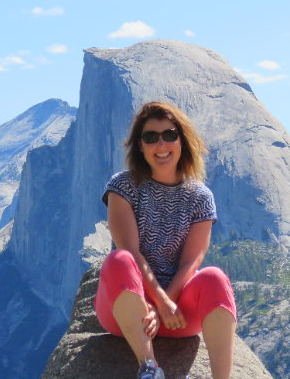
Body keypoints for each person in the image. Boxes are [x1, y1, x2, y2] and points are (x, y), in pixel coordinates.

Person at [95, 101, 237, 379]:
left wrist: (166, 306)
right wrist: (158, 303)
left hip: (177, 314)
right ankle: (149, 369)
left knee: (214, 277)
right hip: (126, 312)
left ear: (182, 140)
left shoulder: (200, 197)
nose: (161, 144)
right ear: (140, 145)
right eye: (150, 137)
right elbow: (131, 252)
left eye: (169, 134)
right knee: (119, 259)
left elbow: (191, 261)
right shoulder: (123, 186)